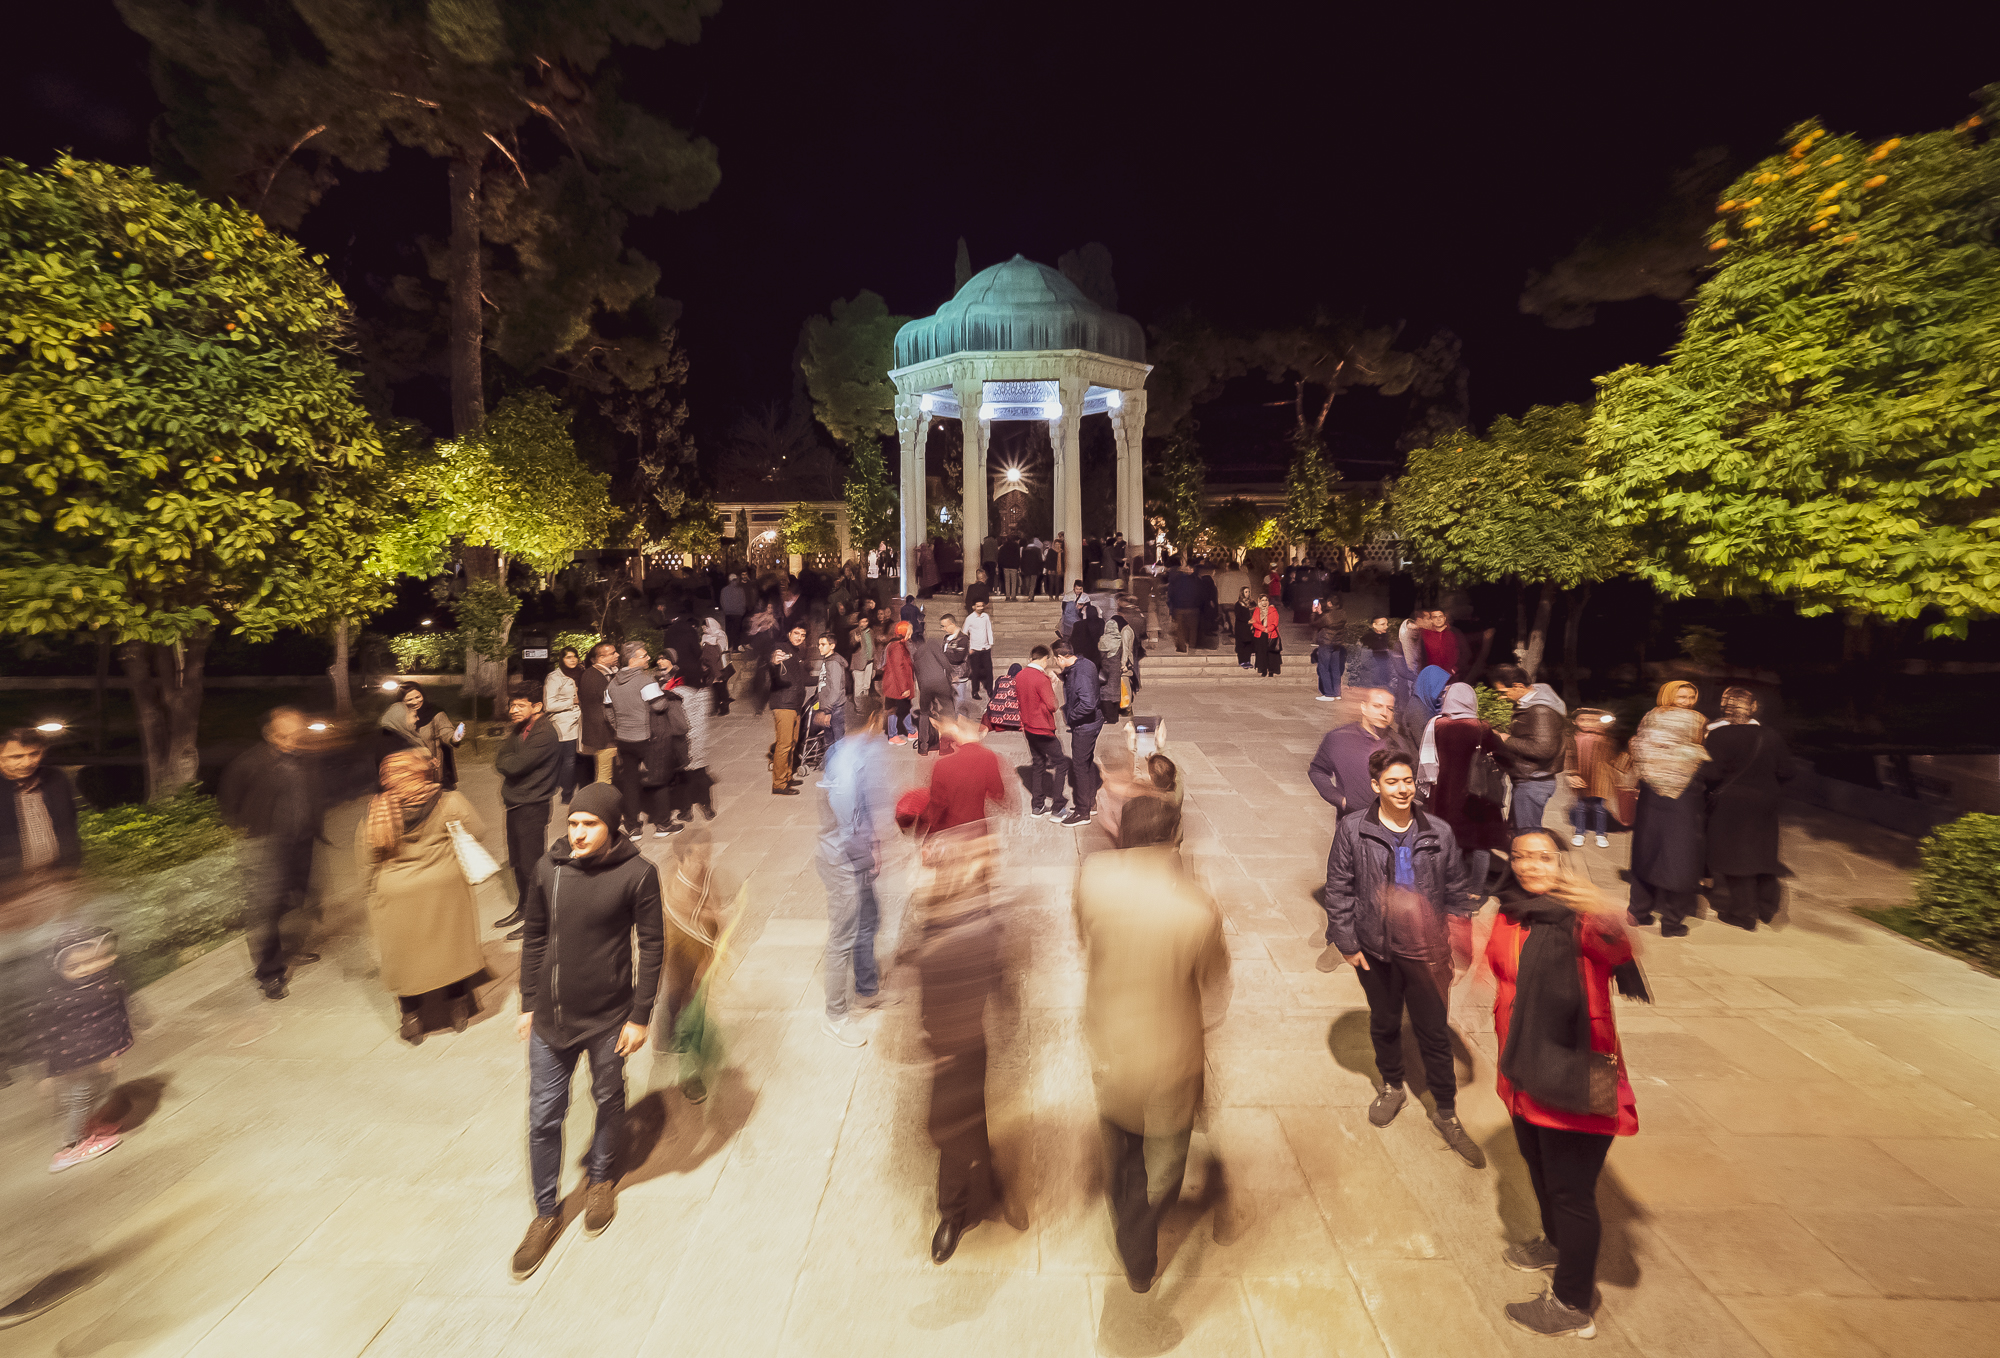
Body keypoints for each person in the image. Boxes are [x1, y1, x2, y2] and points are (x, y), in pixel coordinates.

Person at [1488, 828, 1647, 1339]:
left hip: (1575, 1073)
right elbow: (1496, 971)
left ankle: (1573, 1301)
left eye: (1543, 857)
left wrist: (1602, 907)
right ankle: (1553, 1244)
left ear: (1562, 862)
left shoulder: (1581, 917)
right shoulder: (1511, 911)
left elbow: (1621, 949)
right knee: (1537, 1169)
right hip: (1522, 1071)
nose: (1531, 865)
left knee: (1571, 1191)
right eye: (1521, 857)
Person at [1074, 795, 1230, 1292]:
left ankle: (1122, 1201)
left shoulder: (1093, 877)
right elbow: (1214, 980)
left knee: (1118, 1138)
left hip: (1109, 1037)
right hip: (1169, 1053)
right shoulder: (1195, 906)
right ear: (1173, 839)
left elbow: (1085, 938)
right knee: (1164, 1159)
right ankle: (1138, 1247)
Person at [510, 784, 665, 1281]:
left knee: (607, 1096)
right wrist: (527, 1002)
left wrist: (639, 1016)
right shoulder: (547, 869)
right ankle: (545, 1212)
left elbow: (652, 946)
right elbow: (534, 935)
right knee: (542, 1116)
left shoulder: (638, 874)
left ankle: (600, 1179)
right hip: (551, 1022)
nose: (576, 833)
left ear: (611, 826)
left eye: (589, 824)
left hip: (607, 1020)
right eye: (573, 822)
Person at [1323, 749, 1485, 1167]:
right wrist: (1346, 942)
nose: (1403, 789)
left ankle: (1447, 1111)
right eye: (1393, 782)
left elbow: (1455, 889)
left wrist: (1459, 940)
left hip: (1427, 951)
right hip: (1376, 950)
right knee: (1385, 1020)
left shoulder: (1439, 832)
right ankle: (1393, 1085)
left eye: (1408, 781)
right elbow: (1339, 888)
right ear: (1376, 786)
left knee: (1434, 1032)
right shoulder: (1353, 830)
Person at [916, 823, 1017, 1263]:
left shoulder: (982, 921)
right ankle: (954, 1212)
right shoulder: (932, 920)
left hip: (972, 1040)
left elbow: (999, 978)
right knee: (954, 1123)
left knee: (970, 1113)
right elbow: (922, 989)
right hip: (945, 1047)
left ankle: (983, 1185)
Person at [356, 749, 486, 1044]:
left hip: (396, 892)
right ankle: (457, 1009)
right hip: (445, 887)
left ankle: (411, 1019)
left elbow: (367, 859)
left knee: (404, 954)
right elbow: (478, 830)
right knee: (451, 946)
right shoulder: (448, 801)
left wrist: (371, 893)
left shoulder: (377, 811)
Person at [217, 709, 324, 1000]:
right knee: (264, 910)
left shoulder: (305, 759)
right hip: (266, 845)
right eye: (284, 735)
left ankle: (285, 951)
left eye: (297, 735)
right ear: (270, 735)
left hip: (301, 841)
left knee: (293, 898)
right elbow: (229, 803)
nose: (292, 741)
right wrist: (252, 833)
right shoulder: (250, 764)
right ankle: (269, 972)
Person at [32, 919, 135, 1172]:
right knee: (80, 1099)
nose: (86, 969)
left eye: (94, 960)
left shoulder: (102, 982)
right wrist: (51, 1073)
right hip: (75, 1062)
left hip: (92, 1059)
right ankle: (72, 1146)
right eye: (74, 966)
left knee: (97, 1092)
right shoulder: (67, 997)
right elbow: (68, 1034)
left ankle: (88, 1126)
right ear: (59, 969)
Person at [815, 731, 894, 1047]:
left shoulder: (849, 754)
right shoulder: (847, 765)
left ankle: (867, 988)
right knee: (841, 938)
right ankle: (835, 1018)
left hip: (852, 856)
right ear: (873, 723)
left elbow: (863, 812)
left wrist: (874, 843)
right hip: (843, 863)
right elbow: (847, 831)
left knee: (870, 919)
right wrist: (870, 856)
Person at [1703, 687, 1796, 930]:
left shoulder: (1718, 736)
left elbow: (1712, 774)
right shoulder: (1770, 735)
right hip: (1765, 802)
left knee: (1736, 857)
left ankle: (1743, 913)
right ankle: (1767, 909)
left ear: (1725, 708)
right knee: (1763, 854)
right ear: (1752, 707)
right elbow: (1787, 771)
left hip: (1732, 804)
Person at [1627, 681, 1709, 937]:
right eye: (1681, 696)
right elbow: (1701, 751)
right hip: (1683, 794)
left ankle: (1638, 911)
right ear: (1669, 695)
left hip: (1652, 791)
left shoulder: (1650, 717)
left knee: (1647, 850)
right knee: (1681, 855)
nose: (1686, 701)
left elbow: (1638, 745)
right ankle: (1672, 922)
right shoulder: (1697, 720)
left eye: (1690, 696)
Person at [1424, 682, 1512, 901]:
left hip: (1444, 795)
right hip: (1476, 795)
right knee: (1480, 845)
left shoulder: (1436, 726)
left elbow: (1427, 760)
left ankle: (1446, 887)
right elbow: (1503, 755)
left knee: (1448, 843)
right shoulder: (1481, 728)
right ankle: (1474, 891)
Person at [493, 685, 563, 937]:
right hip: (515, 802)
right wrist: (507, 761)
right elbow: (501, 759)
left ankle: (538, 919)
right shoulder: (519, 729)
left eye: (519, 705)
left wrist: (508, 762)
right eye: (511, 705)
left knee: (531, 864)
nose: (513, 710)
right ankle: (523, 908)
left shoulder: (544, 733)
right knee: (517, 862)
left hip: (533, 804)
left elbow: (513, 765)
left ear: (537, 707)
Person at [1307, 687, 1407, 828]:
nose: (1384, 713)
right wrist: (1340, 800)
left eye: (1390, 709)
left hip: (1389, 825)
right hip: (1351, 824)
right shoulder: (1339, 738)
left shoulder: (1400, 745)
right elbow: (1317, 770)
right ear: (1363, 707)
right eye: (1377, 706)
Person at [1491, 665, 1568, 832]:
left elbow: (1544, 748)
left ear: (1518, 685)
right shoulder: (1529, 704)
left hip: (1534, 781)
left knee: (1528, 836)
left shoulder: (1541, 709)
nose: (1502, 698)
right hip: (1529, 779)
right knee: (1519, 831)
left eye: (1503, 692)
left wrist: (1506, 739)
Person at [0, 729, 82, 884]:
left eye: (34, 754)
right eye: (16, 757)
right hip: (10, 887)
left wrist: (72, 866)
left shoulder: (55, 778)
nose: (28, 762)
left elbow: (68, 826)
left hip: (57, 877)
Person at [919, 715, 1011, 835]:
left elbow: (937, 804)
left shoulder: (942, 765)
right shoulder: (988, 757)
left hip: (948, 831)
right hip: (976, 831)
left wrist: (921, 826)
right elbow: (998, 793)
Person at [607, 641, 661, 833]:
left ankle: (632, 825)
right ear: (633, 659)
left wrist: (617, 726)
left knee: (629, 783)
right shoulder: (645, 680)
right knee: (657, 777)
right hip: (645, 737)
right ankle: (662, 822)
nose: (648, 658)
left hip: (623, 739)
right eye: (644, 655)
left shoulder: (613, 682)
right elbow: (659, 706)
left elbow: (607, 710)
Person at [1050, 641, 1103, 827]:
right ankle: (1089, 803)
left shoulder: (1079, 672)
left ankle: (1083, 812)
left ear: (1061, 657)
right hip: (1093, 723)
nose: (1056, 663)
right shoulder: (1085, 663)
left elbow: (1087, 703)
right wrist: (1062, 676)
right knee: (1086, 762)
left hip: (1085, 725)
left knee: (1080, 766)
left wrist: (1070, 715)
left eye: (1056, 660)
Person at [1016, 645, 1070, 820]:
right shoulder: (1041, 678)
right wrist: (1052, 686)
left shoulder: (1020, 675)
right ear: (1044, 658)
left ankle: (1037, 805)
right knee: (1061, 764)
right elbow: (1052, 705)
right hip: (1043, 729)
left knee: (1038, 763)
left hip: (1028, 727)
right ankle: (1058, 807)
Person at [380, 682, 462, 789]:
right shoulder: (398, 719)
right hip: (409, 778)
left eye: (418, 697)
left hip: (434, 775)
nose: (415, 702)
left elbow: (445, 731)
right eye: (409, 699)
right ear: (401, 701)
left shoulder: (434, 713)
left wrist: (454, 738)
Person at [1564, 708, 1622, 849]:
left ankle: (1600, 833)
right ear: (1575, 722)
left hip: (1600, 779)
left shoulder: (1606, 738)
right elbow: (1569, 757)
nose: (1587, 723)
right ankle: (1579, 832)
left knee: (1600, 807)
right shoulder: (1573, 738)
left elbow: (1613, 757)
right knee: (1581, 806)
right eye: (1583, 720)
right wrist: (1571, 773)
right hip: (1581, 776)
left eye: (1592, 720)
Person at [765, 623, 811, 795]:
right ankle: (779, 784)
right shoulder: (781, 648)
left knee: (791, 744)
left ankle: (787, 777)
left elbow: (801, 679)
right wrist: (773, 661)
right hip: (784, 704)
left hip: (795, 704)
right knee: (784, 745)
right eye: (796, 633)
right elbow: (773, 663)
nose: (799, 637)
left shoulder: (797, 653)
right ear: (789, 633)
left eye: (803, 634)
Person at [543, 647, 584, 803]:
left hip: (580, 722)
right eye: (568, 657)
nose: (572, 660)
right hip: (564, 723)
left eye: (575, 656)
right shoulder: (554, 677)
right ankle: (566, 794)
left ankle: (571, 788)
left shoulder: (581, 674)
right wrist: (571, 701)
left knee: (576, 759)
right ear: (562, 659)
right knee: (568, 759)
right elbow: (549, 705)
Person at [576, 641, 620, 786]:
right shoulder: (593, 676)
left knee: (606, 771)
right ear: (601, 657)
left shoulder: (598, 673)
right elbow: (606, 703)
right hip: (603, 732)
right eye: (613, 653)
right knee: (604, 775)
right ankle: (601, 805)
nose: (617, 655)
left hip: (602, 731)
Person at [881, 620, 917, 744]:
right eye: (909, 632)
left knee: (905, 707)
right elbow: (898, 668)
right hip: (896, 684)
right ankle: (892, 736)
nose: (910, 635)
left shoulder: (898, 644)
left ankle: (911, 731)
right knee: (893, 708)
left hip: (895, 683)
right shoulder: (897, 646)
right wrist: (904, 688)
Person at [813, 632, 850, 745]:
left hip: (834, 709)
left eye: (823, 644)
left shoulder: (833, 663)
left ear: (832, 646)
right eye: (819, 644)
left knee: (836, 741)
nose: (819, 647)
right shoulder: (828, 660)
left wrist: (827, 711)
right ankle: (831, 761)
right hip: (828, 708)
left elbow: (835, 689)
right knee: (830, 741)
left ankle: (840, 762)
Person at [940, 613, 972, 714]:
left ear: (952, 624)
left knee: (959, 701)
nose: (943, 629)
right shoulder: (946, 638)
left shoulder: (963, 639)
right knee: (949, 701)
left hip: (958, 675)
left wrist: (942, 657)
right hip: (947, 674)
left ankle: (961, 724)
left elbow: (958, 658)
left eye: (944, 626)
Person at [964, 598, 995, 700]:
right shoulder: (969, 618)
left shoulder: (985, 616)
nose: (980, 608)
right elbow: (964, 633)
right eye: (978, 606)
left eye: (982, 606)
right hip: (975, 649)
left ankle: (990, 689)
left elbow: (988, 629)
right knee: (976, 671)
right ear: (973, 607)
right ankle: (975, 691)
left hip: (985, 648)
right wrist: (969, 648)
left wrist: (990, 643)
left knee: (989, 670)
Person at [1167, 561, 1200, 653]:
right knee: (1193, 628)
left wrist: (1171, 607)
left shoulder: (1175, 580)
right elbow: (1200, 594)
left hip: (1178, 607)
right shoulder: (1196, 580)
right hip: (1193, 607)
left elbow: (1171, 594)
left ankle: (1182, 647)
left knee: (1179, 628)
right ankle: (1192, 646)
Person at [1313, 608, 1345, 701]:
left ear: (1330, 603)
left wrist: (1314, 613)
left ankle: (1329, 694)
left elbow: (1314, 624)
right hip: (1337, 644)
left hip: (1326, 644)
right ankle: (1337, 693)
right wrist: (1321, 613)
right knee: (1335, 669)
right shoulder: (1342, 615)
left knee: (1324, 668)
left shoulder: (1327, 617)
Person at [1421, 609, 1462, 677]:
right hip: (1432, 675)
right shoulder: (1425, 634)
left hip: (1452, 675)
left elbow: (1465, 652)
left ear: (1444, 618)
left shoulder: (1455, 632)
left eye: (1440, 616)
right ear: (1431, 620)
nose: (1438, 619)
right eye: (1435, 617)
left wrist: (1455, 669)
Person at [1250, 592, 1283, 677]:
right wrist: (1263, 629)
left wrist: (1268, 629)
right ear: (1259, 601)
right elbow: (1254, 622)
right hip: (1260, 635)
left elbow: (1275, 622)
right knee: (1261, 654)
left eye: (1266, 600)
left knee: (1271, 654)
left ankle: (1271, 670)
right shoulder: (1257, 610)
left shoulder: (1273, 610)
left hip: (1271, 635)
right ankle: (1263, 670)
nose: (1264, 602)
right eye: (1262, 600)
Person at [1360, 616, 1397, 688]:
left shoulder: (1385, 638)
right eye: (1382, 624)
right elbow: (1366, 661)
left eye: (1387, 624)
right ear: (1374, 625)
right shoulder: (1367, 640)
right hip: (1373, 680)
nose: (1386, 626)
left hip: (1384, 678)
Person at [720, 572, 750, 649]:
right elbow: (743, 601)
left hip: (728, 613)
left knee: (729, 630)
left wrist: (725, 610)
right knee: (737, 631)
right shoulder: (740, 590)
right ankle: (735, 647)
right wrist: (742, 611)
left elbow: (722, 601)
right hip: (738, 614)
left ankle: (729, 645)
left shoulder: (724, 590)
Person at [1231, 587, 1256, 670]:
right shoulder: (1238, 604)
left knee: (1249, 644)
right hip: (1241, 627)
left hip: (1250, 627)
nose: (1247, 593)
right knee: (1241, 644)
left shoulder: (1252, 603)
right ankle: (1242, 661)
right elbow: (1238, 616)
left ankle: (1247, 661)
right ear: (1242, 593)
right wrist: (1247, 621)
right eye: (1246, 592)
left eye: (1249, 591)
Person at [999, 536, 1022, 601]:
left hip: (1005, 566)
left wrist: (1001, 565)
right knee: (1014, 582)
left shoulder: (1003, 547)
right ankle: (1013, 596)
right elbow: (1018, 557)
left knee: (1007, 581)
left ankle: (1008, 596)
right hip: (1014, 566)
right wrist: (1018, 566)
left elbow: (1001, 557)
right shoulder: (1016, 546)